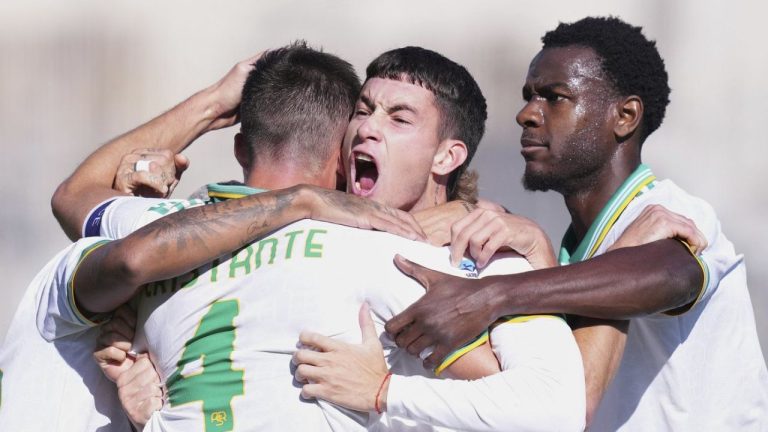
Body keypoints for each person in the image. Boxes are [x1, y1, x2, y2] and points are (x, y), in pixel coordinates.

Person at [42, 43, 588, 431]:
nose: (368, 127)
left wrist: (384, 392)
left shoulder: (488, 250)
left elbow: (557, 410)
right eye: (363, 111)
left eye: (399, 118)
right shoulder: (249, 234)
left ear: (448, 156)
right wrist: (153, 412)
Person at [341, 16, 768, 430]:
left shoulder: (665, 210)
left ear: (625, 116)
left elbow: (671, 275)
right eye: (529, 95)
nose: (526, 113)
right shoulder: (564, 251)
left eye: (555, 97)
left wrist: (487, 296)